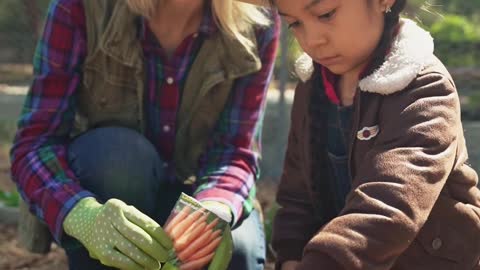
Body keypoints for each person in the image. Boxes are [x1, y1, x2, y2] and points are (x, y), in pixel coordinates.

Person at [9, 0, 279, 269]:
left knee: (237, 252)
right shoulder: (81, 7)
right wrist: (81, 214)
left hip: (196, 190)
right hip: (110, 193)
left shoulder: (256, 20)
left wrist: (216, 207)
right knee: (119, 159)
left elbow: (235, 150)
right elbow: (35, 143)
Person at [267, 0, 480, 269]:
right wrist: (291, 257)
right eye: (295, 23)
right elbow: (297, 195)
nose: (312, 40)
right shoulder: (312, 89)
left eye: (326, 14)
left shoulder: (426, 89)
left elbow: (389, 204)